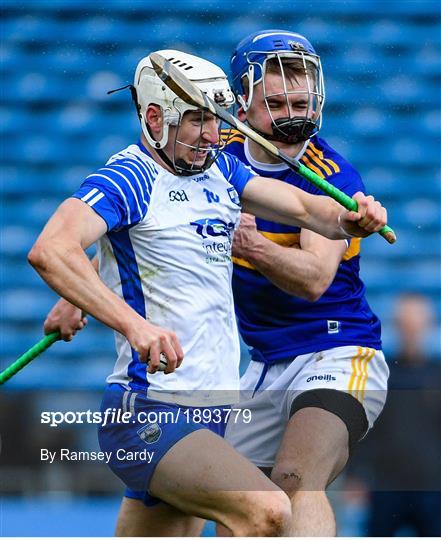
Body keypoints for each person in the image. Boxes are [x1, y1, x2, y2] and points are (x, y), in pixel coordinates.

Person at [33, 49, 387, 537]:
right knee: (269, 512)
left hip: (211, 411)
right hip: (152, 411)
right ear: (155, 117)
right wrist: (133, 325)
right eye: (196, 120)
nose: (209, 135)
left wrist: (350, 218)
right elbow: (51, 250)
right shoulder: (128, 177)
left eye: (215, 120)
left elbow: (307, 208)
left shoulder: (218, 171)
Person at [214, 30, 391, 537]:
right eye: (275, 102)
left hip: (339, 351)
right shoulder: (215, 156)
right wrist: (84, 290)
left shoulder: (333, 176)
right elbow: (146, 215)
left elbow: (314, 280)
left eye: (300, 99)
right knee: (237, 511)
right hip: (266, 365)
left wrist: (255, 248)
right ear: (241, 104)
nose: (293, 112)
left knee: (296, 478)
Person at [345, 292, 441, 537]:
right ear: (397, 326)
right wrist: (355, 474)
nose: (412, 331)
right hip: (386, 486)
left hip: (433, 487)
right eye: (406, 324)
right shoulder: (381, 376)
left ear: (429, 325)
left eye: (417, 324)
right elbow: (365, 429)